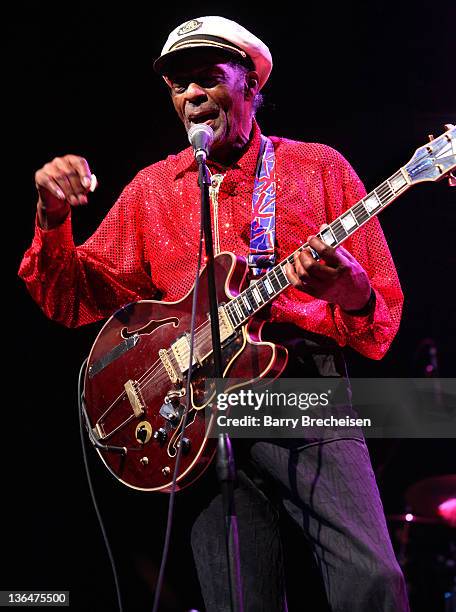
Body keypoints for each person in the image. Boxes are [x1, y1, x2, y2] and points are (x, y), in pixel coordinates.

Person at [19, 15, 409, 612]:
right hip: (196, 415)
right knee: (236, 601)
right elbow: (69, 296)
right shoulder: (153, 189)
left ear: (251, 85)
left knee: (372, 581)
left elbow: (380, 317)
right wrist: (51, 216)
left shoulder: (319, 169)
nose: (192, 94)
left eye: (207, 77)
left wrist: (352, 292)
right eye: (178, 85)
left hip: (299, 393)